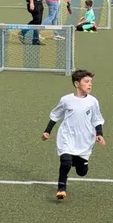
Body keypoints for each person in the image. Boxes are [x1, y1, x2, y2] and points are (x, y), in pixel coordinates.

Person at [43, 68, 105, 201]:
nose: (90, 84)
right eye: (86, 81)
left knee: (82, 172)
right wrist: (47, 131)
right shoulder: (66, 100)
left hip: (84, 139)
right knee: (65, 162)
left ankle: (77, 161)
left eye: (91, 82)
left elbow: (97, 119)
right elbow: (55, 115)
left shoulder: (93, 101)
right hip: (67, 135)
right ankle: (61, 188)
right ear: (77, 84)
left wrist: (99, 133)